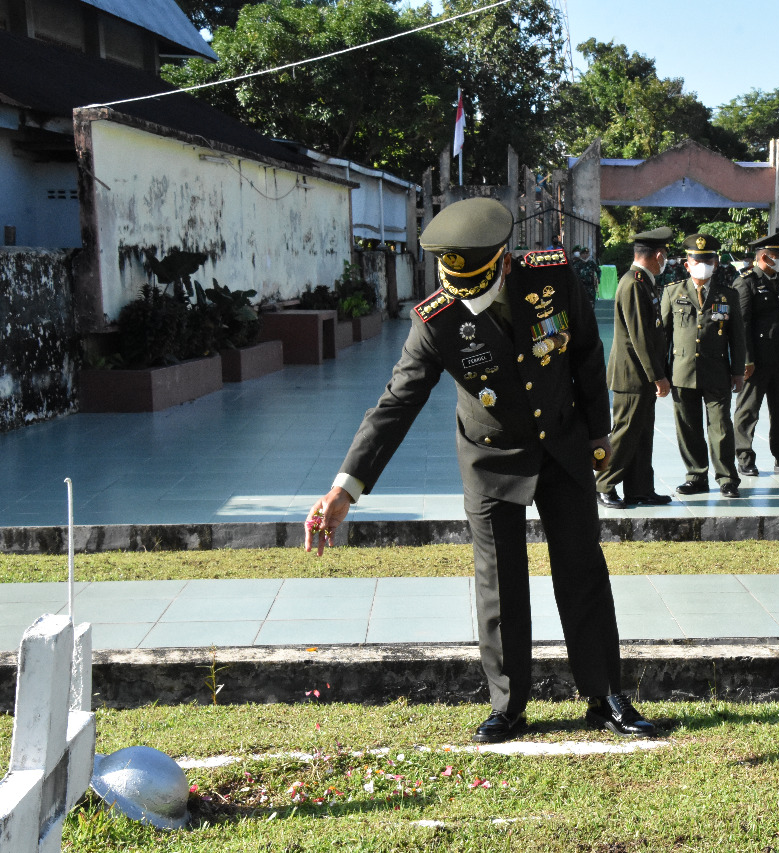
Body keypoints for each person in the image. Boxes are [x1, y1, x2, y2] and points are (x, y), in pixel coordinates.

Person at [305, 197, 655, 744]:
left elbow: (586, 352)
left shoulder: (554, 276)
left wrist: (596, 433)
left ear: (505, 262)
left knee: (583, 570)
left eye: (479, 288)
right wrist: (343, 488)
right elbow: (396, 402)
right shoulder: (437, 319)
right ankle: (509, 705)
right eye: (458, 290)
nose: (468, 301)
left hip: (562, 447)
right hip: (490, 459)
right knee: (499, 585)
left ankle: (605, 693)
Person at [662, 233, 750, 497]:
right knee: (688, 428)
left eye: (708, 259)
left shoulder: (728, 294)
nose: (703, 264)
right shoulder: (672, 291)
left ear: (716, 262)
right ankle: (696, 476)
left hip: (717, 372)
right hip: (682, 373)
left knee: (721, 428)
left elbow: (738, 337)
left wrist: (738, 372)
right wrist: (660, 375)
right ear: (686, 263)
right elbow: (663, 337)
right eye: (697, 259)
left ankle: (727, 479)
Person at [595, 228, 674, 510]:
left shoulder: (644, 282)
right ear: (657, 255)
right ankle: (603, 483)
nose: (665, 259)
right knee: (625, 433)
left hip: (641, 375)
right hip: (632, 375)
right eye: (664, 254)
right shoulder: (633, 283)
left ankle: (640, 489)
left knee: (642, 434)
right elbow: (639, 336)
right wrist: (658, 376)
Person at [732, 231, 779, 477]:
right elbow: (741, 325)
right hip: (758, 362)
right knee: (747, 412)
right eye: (778, 256)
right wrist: (746, 360)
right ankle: (744, 458)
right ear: (764, 257)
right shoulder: (745, 282)